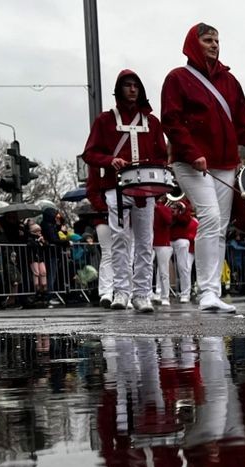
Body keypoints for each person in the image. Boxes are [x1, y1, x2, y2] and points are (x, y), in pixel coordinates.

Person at [162, 22, 245, 314]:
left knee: (219, 228)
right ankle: (205, 292)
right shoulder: (177, 79)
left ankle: (213, 292)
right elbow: (171, 121)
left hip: (225, 162)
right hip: (191, 163)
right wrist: (192, 154)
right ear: (193, 43)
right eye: (207, 40)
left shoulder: (230, 82)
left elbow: (242, 129)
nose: (214, 44)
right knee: (210, 217)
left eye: (217, 40)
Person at [82, 69, 169, 313]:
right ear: (119, 89)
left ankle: (142, 294)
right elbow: (89, 153)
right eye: (127, 85)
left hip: (146, 190)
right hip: (116, 188)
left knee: (144, 243)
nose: (132, 89)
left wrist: (161, 179)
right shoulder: (105, 120)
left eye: (135, 86)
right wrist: (110, 160)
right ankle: (121, 292)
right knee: (120, 241)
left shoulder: (152, 122)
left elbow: (162, 156)